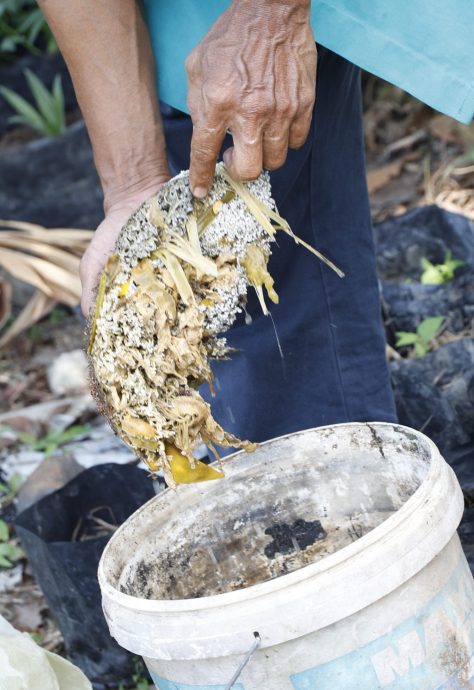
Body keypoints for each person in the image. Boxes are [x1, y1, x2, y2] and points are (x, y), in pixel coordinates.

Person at [37, 0, 473, 447]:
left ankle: (338, 479)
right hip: (184, 32)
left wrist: (269, 18)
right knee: (227, 290)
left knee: (287, 283)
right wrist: (133, 184)